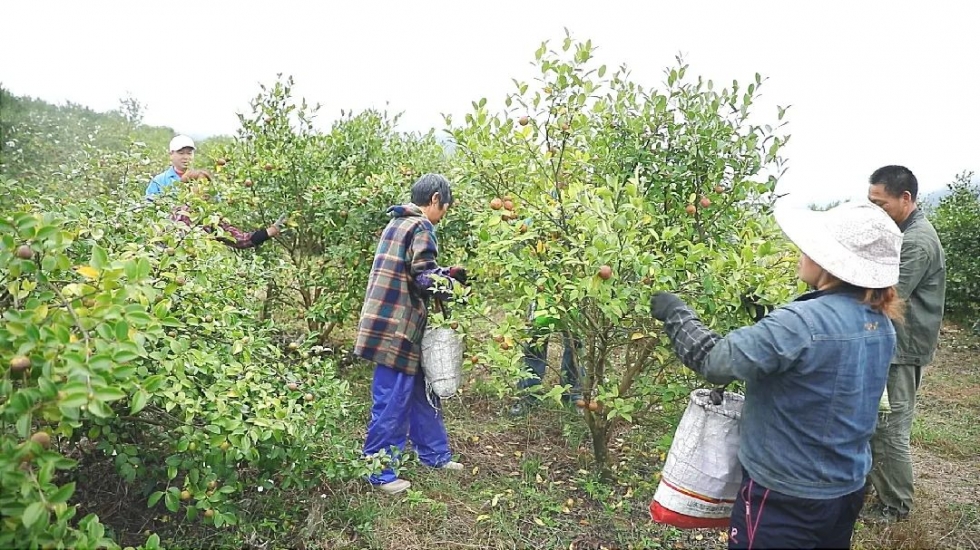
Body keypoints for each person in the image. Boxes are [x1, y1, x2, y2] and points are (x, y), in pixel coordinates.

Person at [649, 201, 904, 548]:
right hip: (845, 486)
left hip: (785, 495)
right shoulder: (880, 322)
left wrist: (676, 313)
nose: (802, 251)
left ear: (829, 262)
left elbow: (715, 361)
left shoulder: (800, 323)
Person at [354, 173, 469, 495]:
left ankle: (434, 454)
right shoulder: (421, 226)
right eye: (444, 209)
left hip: (387, 320)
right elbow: (422, 278)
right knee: (392, 399)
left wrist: (445, 273)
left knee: (423, 391)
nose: (442, 216)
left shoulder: (397, 222)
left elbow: (415, 269)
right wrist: (452, 287)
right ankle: (379, 471)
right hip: (397, 327)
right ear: (435, 199)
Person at [866, 165, 947, 522]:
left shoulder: (917, 241)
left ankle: (896, 507)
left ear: (906, 198)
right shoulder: (903, 231)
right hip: (894, 343)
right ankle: (872, 489)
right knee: (875, 423)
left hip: (902, 348)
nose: (875, 210)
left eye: (880, 204)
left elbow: (890, 294)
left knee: (890, 428)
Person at [147, 135, 210, 199]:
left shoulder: (201, 177)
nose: (186, 157)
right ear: (171, 154)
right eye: (181, 153)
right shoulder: (159, 181)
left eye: (189, 153)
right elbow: (148, 204)